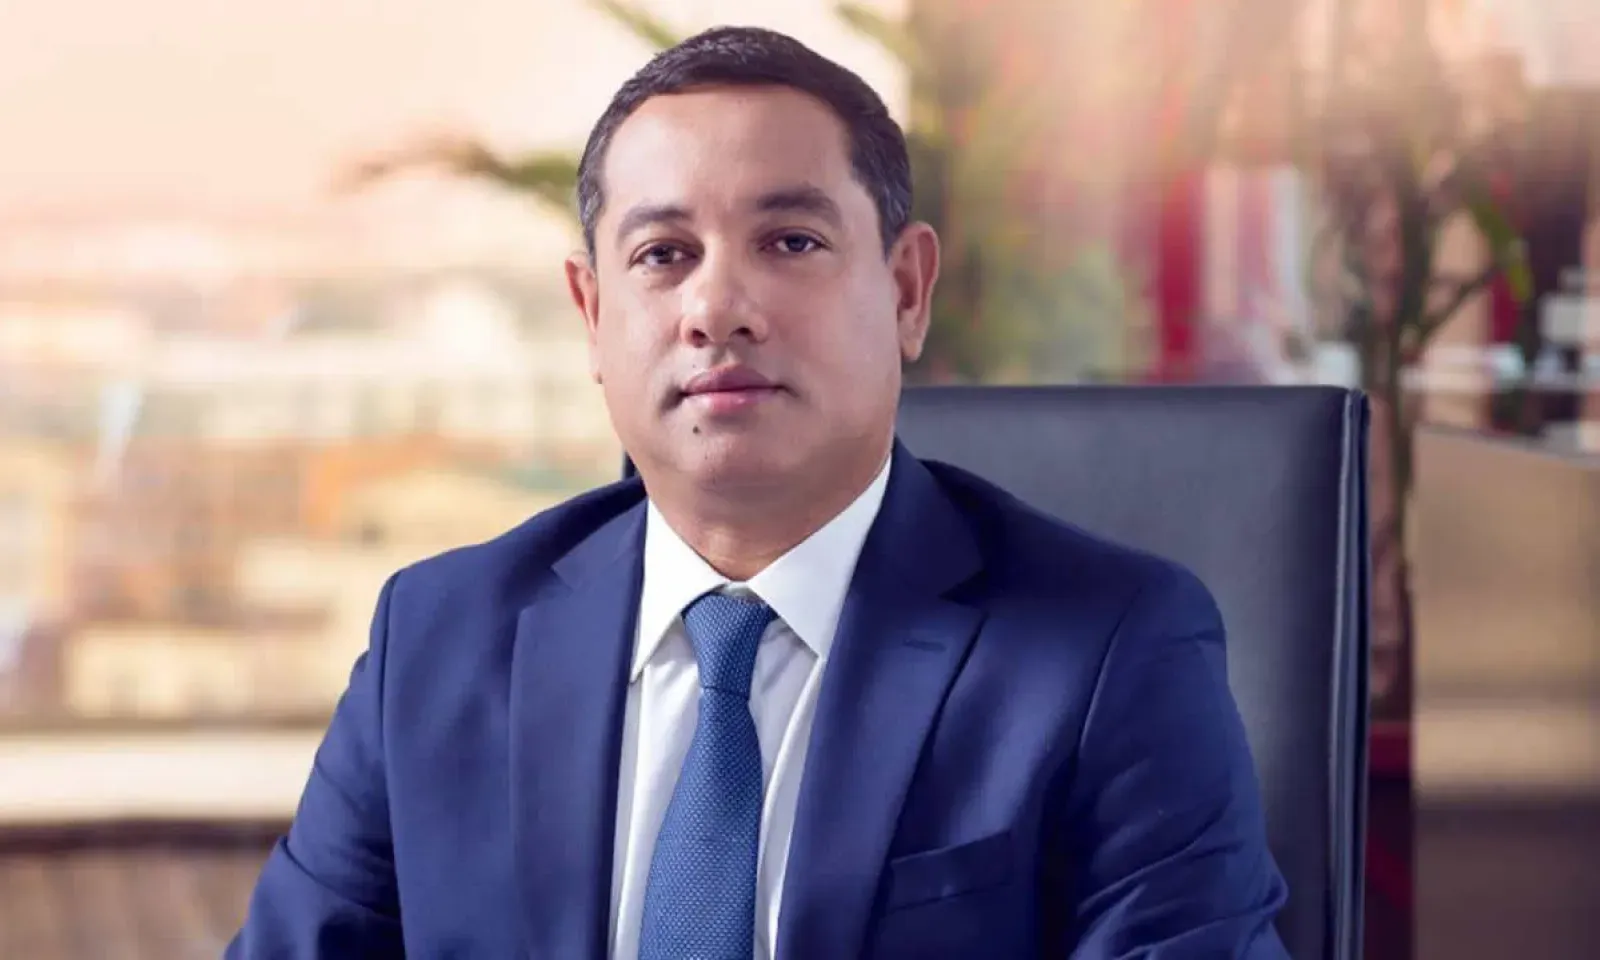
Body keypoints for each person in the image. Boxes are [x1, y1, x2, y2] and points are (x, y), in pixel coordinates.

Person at [228, 25, 1289, 959]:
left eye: (790, 243)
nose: (718, 307)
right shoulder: (438, 641)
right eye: (663, 253)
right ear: (591, 314)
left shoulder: (1106, 654)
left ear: (906, 290)